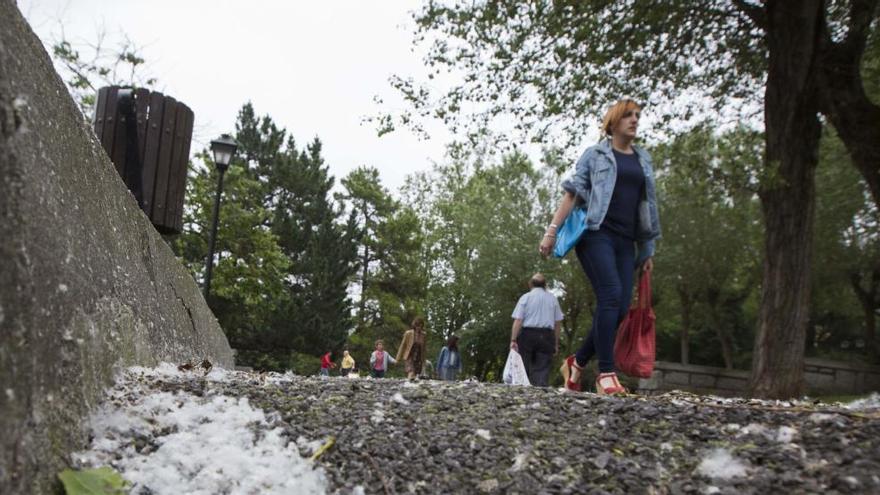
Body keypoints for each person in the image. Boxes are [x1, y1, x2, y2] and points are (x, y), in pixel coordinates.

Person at [540, 98, 661, 395]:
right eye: (628, 116)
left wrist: (647, 250)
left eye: (637, 116)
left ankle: (577, 362)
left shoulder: (642, 159)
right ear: (614, 122)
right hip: (596, 234)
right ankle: (605, 373)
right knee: (610, 295)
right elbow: (572, 193)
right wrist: (552, 231)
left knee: (619, 309)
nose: (634, 120)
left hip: (627, 241)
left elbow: (647, 206)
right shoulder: (595, 155)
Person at [510, 273, 563, 387]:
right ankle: (540, 392)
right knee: (542, 369)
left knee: (522, 365)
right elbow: (557, 323)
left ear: (530, 284)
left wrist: (513, 340)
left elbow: (518, 320)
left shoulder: (525, 297)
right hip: (546, 336)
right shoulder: (553, 299)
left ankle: (521, 389)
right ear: (545, 285)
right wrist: (556, 343)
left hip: (527, 335)